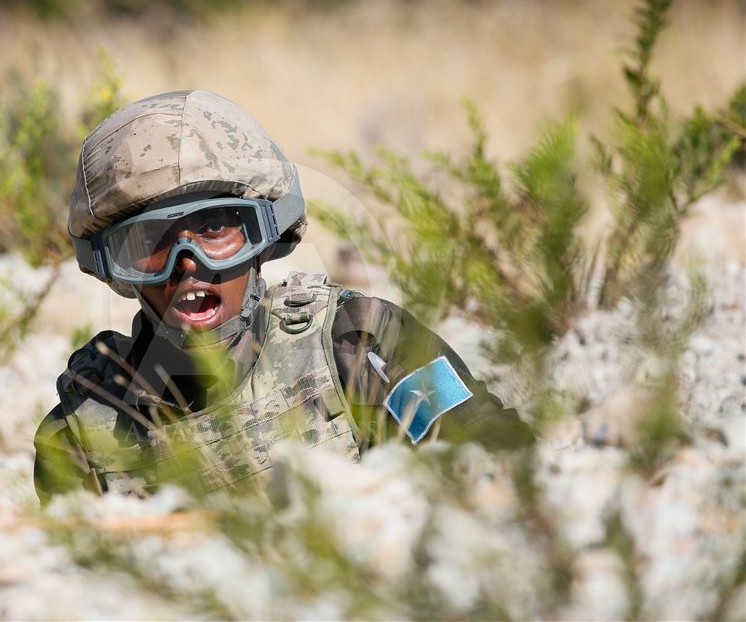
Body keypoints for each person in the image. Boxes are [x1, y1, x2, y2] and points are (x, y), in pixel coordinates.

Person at [34, 90, 532, 503]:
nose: (187, 263)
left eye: (215, 230)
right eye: (149, 242)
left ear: (264, 237)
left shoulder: (357, 343)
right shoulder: (86, 428)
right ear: (114, 267)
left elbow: (497, 462)